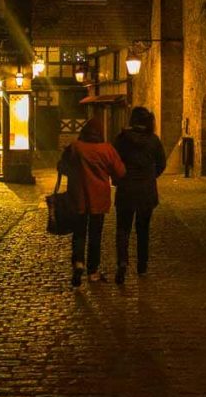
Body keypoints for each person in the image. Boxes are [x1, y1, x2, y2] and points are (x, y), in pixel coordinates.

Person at [59, 116, 125, 287]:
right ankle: (93, 271)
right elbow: (120, 171)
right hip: (99, 199)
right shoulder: (107, 149)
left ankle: (78, 263)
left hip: (78, 197)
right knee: (95, 235)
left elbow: (61, 167)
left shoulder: (75, 148)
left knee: (79, 232)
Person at [112, 106, 166, 285]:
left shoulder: (121, 140)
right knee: (143, 230)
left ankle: (122, 262)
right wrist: (150, 177)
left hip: (126, 190)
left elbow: (113, 162)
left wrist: (119, 178)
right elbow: (161, 164)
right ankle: (142, 266)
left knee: (123, 229)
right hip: (146, 192)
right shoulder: (154, 141)